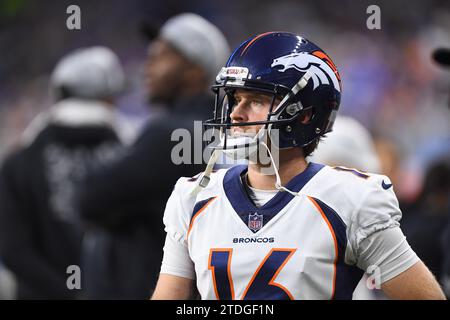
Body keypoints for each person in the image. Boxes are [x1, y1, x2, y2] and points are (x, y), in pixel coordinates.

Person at [151, 32, 445, 300]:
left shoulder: (350, 200)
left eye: (255, 100)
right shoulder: (193, 198)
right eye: (236, 99)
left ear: (305, 115)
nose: (236, 114)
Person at [77, 13, 230, 299]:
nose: (147, 67)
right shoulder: (218, 130)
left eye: (162, 57)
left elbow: (89, 199)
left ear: (195, 72)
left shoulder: (172, 133)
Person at [0, 46, 125, 299]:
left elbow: (12, 249)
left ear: (58, 93)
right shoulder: (131, 154)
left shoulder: (19, 161)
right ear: (109, 98)